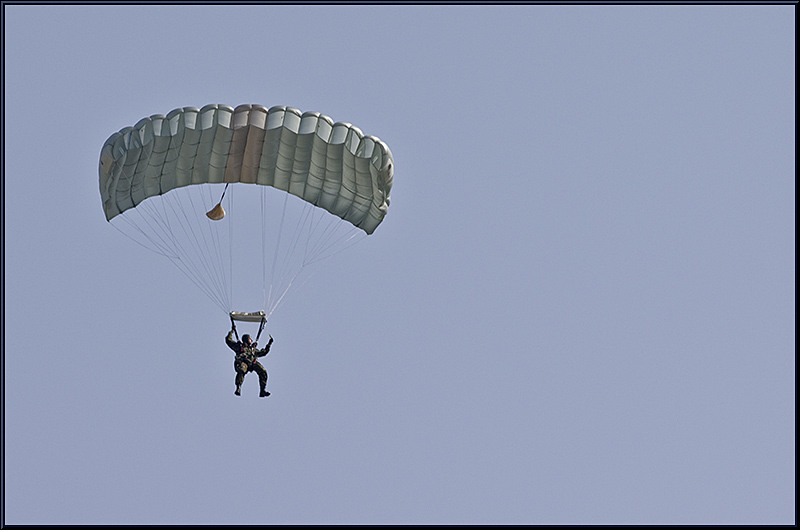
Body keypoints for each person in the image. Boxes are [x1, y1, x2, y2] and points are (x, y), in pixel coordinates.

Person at [226, 323, 274, 397]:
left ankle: (262, 390)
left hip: (252, 363)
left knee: (263, 371)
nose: (251, 340)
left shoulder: (253, 350)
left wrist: (269, 344)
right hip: (243, 362)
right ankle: (238, 387)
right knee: (242, 370)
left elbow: (263, 353)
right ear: (246, 339)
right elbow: (228, 340)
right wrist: (232, 330)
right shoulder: (239, 347)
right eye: (250, 338)